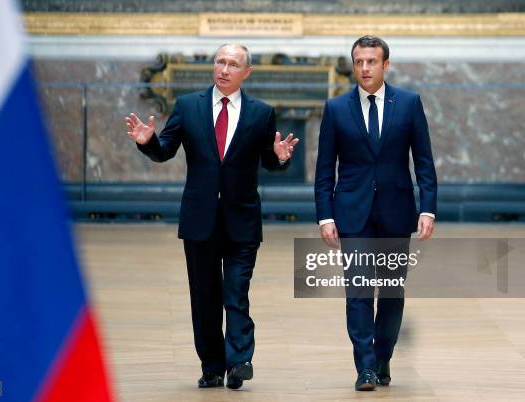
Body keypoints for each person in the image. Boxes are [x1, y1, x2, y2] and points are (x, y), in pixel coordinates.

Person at [126, 43, 299, 390]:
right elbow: (165, 150)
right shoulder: (188, 106)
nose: (223, 69)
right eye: (219, 61)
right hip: (199, 219)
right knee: (204, 296)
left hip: (243, 220)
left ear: (246, 72)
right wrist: (147, 142)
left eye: (233, 64)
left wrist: (280, 157)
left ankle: (240, 361)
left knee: (236, 291)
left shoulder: (261, 113)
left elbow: (268, 159)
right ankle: (211, 365)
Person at [314, 35, 437, 391]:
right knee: (359, 291)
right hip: (352, 213)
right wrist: (325, 216)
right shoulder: (336, 108)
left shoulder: (409, 104)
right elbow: (325, 168)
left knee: (392, 292)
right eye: (358, 62)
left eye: (371, 61)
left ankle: (383, 358)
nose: (364, 68)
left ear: (385, 65)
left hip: (397, 212)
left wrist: (427, 208)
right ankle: (365, 367)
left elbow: (424, 162)